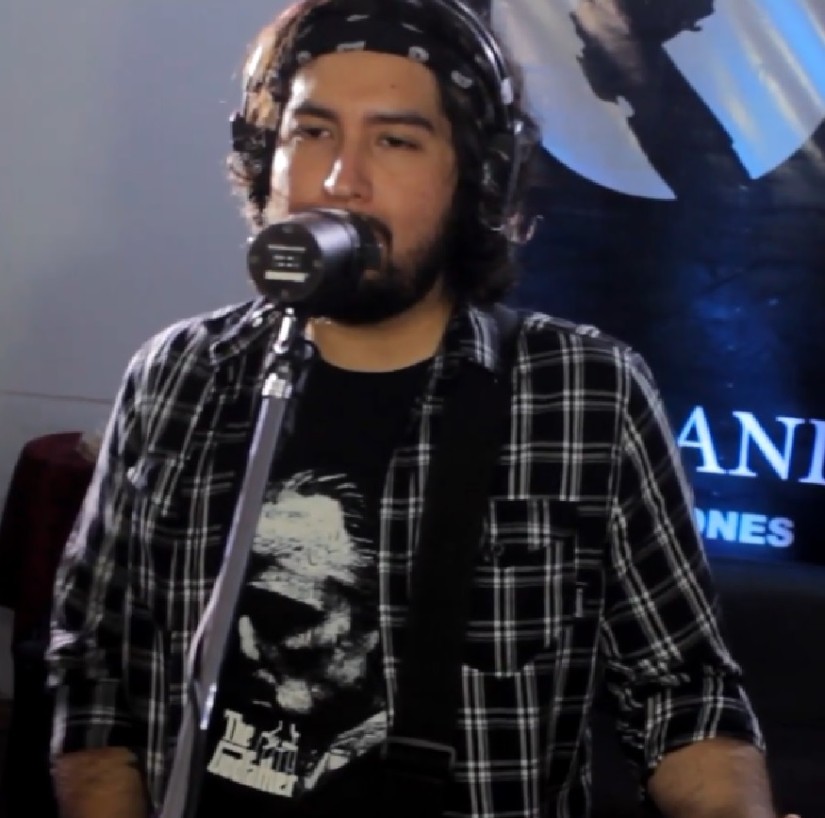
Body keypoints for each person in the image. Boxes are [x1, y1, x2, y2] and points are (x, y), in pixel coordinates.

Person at [46, 0, 792, 816]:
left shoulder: (585, 392)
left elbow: (680, 692)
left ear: (474, 180)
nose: (341, 180)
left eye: (394, 141)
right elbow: (93, 662)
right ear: (265, 157)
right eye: (312, 132)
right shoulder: (179, 373)